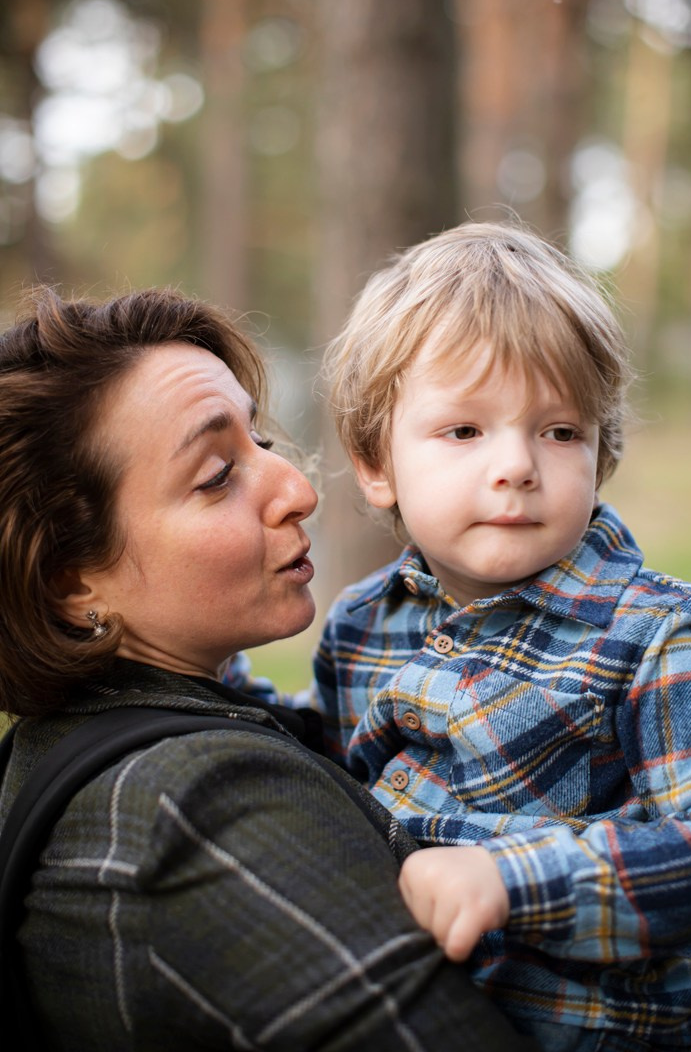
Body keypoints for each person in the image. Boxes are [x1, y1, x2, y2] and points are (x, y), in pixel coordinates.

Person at [0, 286, 539, 1052]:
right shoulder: (197, 804)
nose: (300, 490)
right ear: (71, 581)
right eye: (217, 474)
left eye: (261, 441)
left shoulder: (60, 744)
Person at [302, 221, 691, 1051]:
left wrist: (511, 880)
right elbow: (325, 771)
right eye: (465, 431)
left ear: (601, 454)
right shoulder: (362, 625)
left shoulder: (653, 632)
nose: (517, 466)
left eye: (560, 431)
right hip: (399, 1020)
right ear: (376, 464)